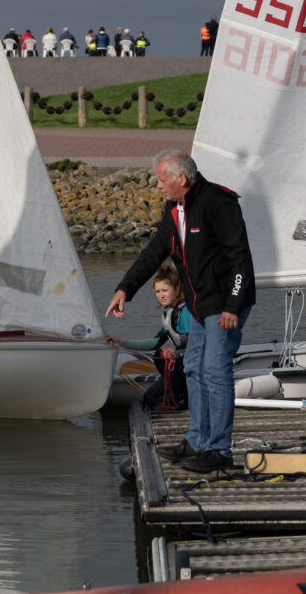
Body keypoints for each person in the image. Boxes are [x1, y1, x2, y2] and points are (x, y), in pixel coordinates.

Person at [106, 152, 255, 472]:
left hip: (225, 303)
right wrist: (125, 289)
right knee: (193, 371)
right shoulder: (173, 208)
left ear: (182, 179)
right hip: (200, 305)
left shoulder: (219, 203)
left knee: (216, 372)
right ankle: (197, 441)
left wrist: (232, 305)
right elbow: (155, 251)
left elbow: (240, 259)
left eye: (162, 179)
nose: (158, 185)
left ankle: (219, 452)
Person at [107, 260, 192, 411]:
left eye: (165, 290)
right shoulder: (168, 313)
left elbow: (197, 344)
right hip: (181, 367)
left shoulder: (184, 313)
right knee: (149, 398)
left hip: (193, 367)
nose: (161, 295)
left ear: (177, 289)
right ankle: (178, 397)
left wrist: (177, 354)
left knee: (162, 355)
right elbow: (154, 343)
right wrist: (121, 342)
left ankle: (185, 397)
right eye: (157, 291)